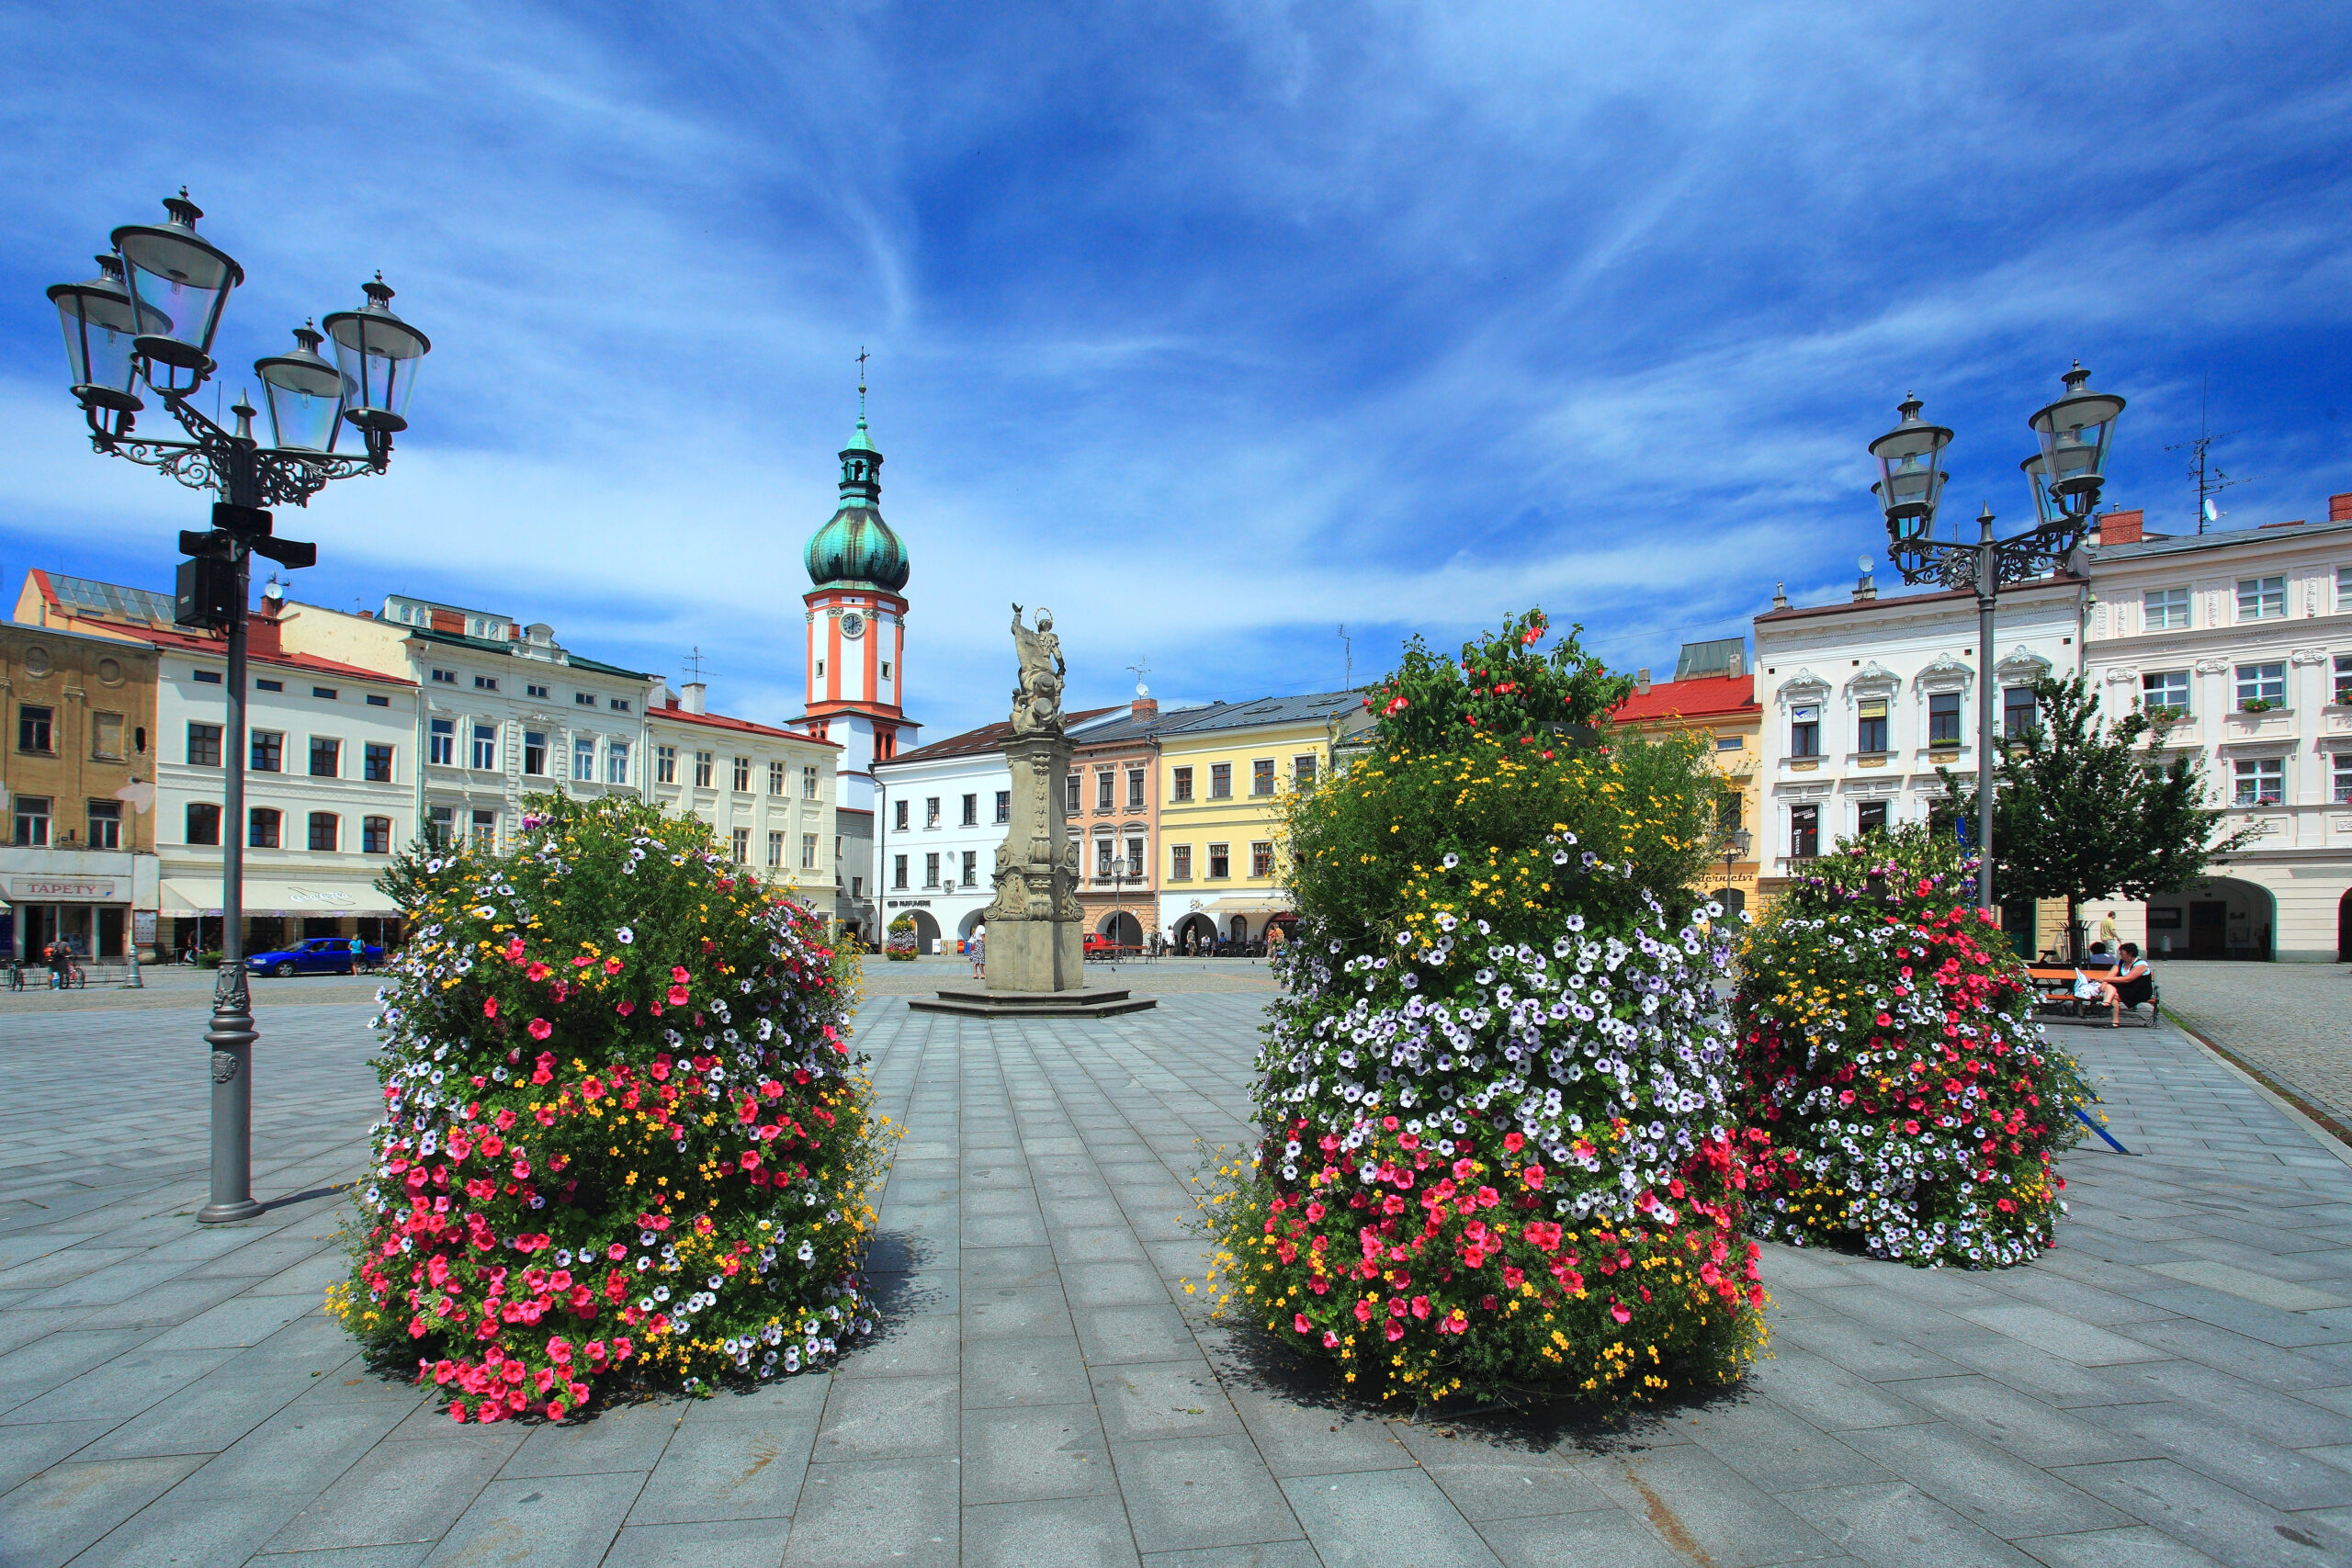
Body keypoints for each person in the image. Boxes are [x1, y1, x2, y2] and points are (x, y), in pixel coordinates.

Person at [2096, 942, 2154, 1027]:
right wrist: (2104, 983)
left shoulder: (2141, 964)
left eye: (2122, 953)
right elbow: (2111, 975)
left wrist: (2105, 979)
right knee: (2110, 989)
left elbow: (2127, 979)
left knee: (2112, 995)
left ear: (2130, 954)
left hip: (2139, 991)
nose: (2120, 954)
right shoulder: (2119, 963)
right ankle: (2110, 1011)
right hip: (2125, 989)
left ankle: (2107, 1004)